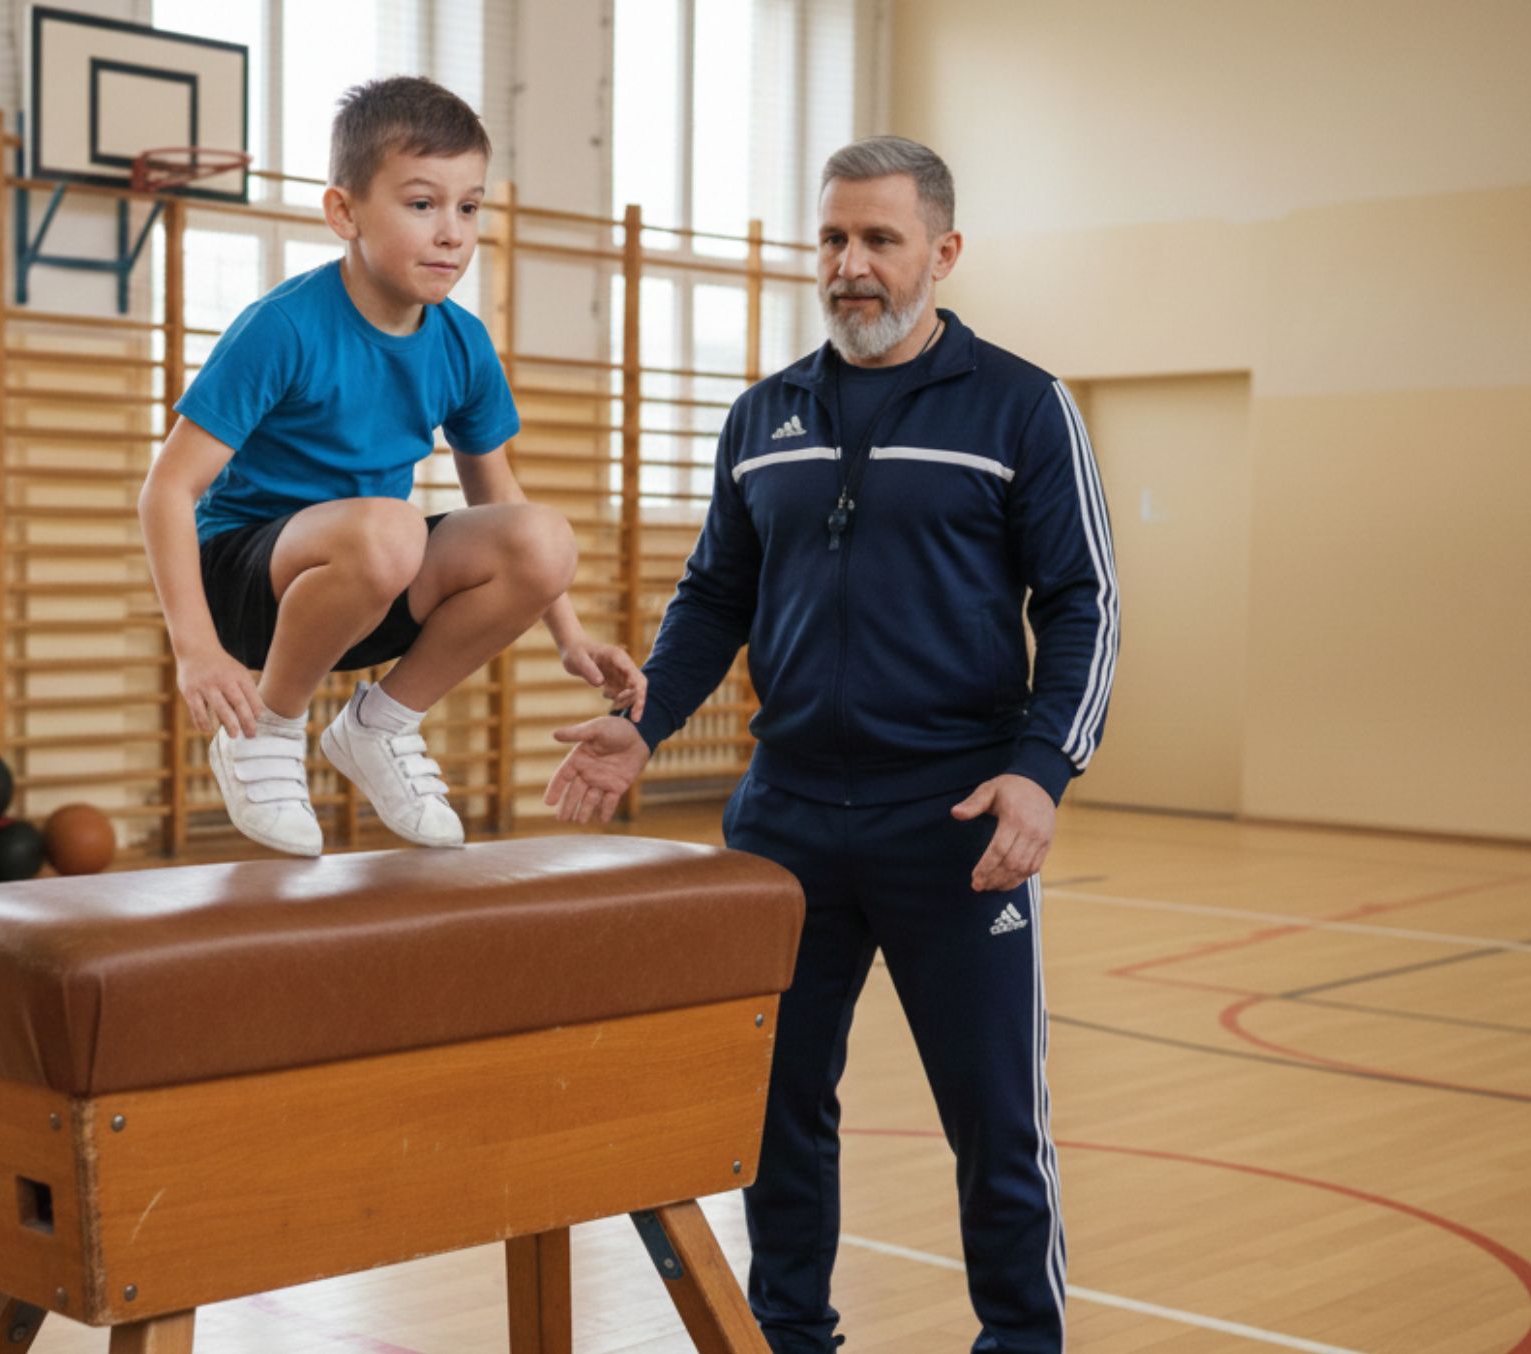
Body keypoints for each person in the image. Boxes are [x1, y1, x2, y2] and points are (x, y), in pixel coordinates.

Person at [546, 135, 1117, 1353]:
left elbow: (1084, 603)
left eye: (880, 240)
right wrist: (640, 723)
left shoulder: (1022, 406)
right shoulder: (765, 414)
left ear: (942, 253)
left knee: (995, 1120)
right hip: (786, 821)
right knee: (778, 1105)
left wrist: (1041, 767)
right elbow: (714, 596)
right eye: (833, 239)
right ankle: (788, 1334)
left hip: (955, 824)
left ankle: (1022, 1342)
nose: (850, 266)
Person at [141, 76, 643, 858]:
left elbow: (498, 501)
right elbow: (168, 489)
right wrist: (196, 649)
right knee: (388, 527)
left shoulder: (462, 343)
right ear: (344, 212)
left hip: (365, 590)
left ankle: (381, 725)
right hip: (247, 585)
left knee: (542, 536)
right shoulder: (285, 327)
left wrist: (569, 636)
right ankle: (268, 729)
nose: (452, 234)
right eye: (421, 204)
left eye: (468, 207)